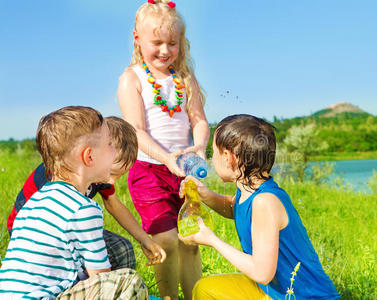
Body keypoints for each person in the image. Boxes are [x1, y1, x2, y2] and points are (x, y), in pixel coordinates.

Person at [179, 114, 340, 300]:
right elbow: (236, 209)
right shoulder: (251, 190)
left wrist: (211, 239)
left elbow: (262, 273)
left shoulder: (265, 202)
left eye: (212, 152)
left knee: (206, 291)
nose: (210, 159)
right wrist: (206, 195)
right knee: (205, 289)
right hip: (271, 291)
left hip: (302, 297)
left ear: (227, 157)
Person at [0, 106, 150, 299]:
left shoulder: (34, 201)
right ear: (89, 157)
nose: (114, 151)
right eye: (109, 145)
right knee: (128, 282)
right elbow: (101, 281)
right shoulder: (83, 209)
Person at [117, 1, 209, 299]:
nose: (165, 50)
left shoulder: (185, 79)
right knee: (167, 240)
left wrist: (200, 146)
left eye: (173, 43)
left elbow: (199, 119)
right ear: (137, 39)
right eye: (156, 42)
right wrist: (166, 158)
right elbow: (135, 130)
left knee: (190, 240)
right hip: (149, 170)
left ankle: (194, 295)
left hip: (184, 171)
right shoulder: (133, 78)